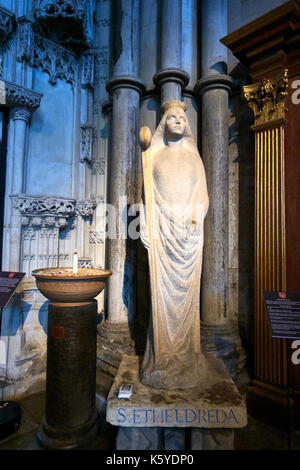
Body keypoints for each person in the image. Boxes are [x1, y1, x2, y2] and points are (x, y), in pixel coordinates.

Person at [139, 100, 209, 390]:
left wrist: (193, 219)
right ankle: (161, 357)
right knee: (162, 299)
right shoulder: (153, 157)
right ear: (163, 124)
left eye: (182, 117)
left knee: (187, 300)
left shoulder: (195, 159)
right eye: (172, 117)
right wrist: (144, 223)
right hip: (162, 236)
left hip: (189, 238)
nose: (178, 120)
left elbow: (203, 197)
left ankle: (187, 358)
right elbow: (146, 197)